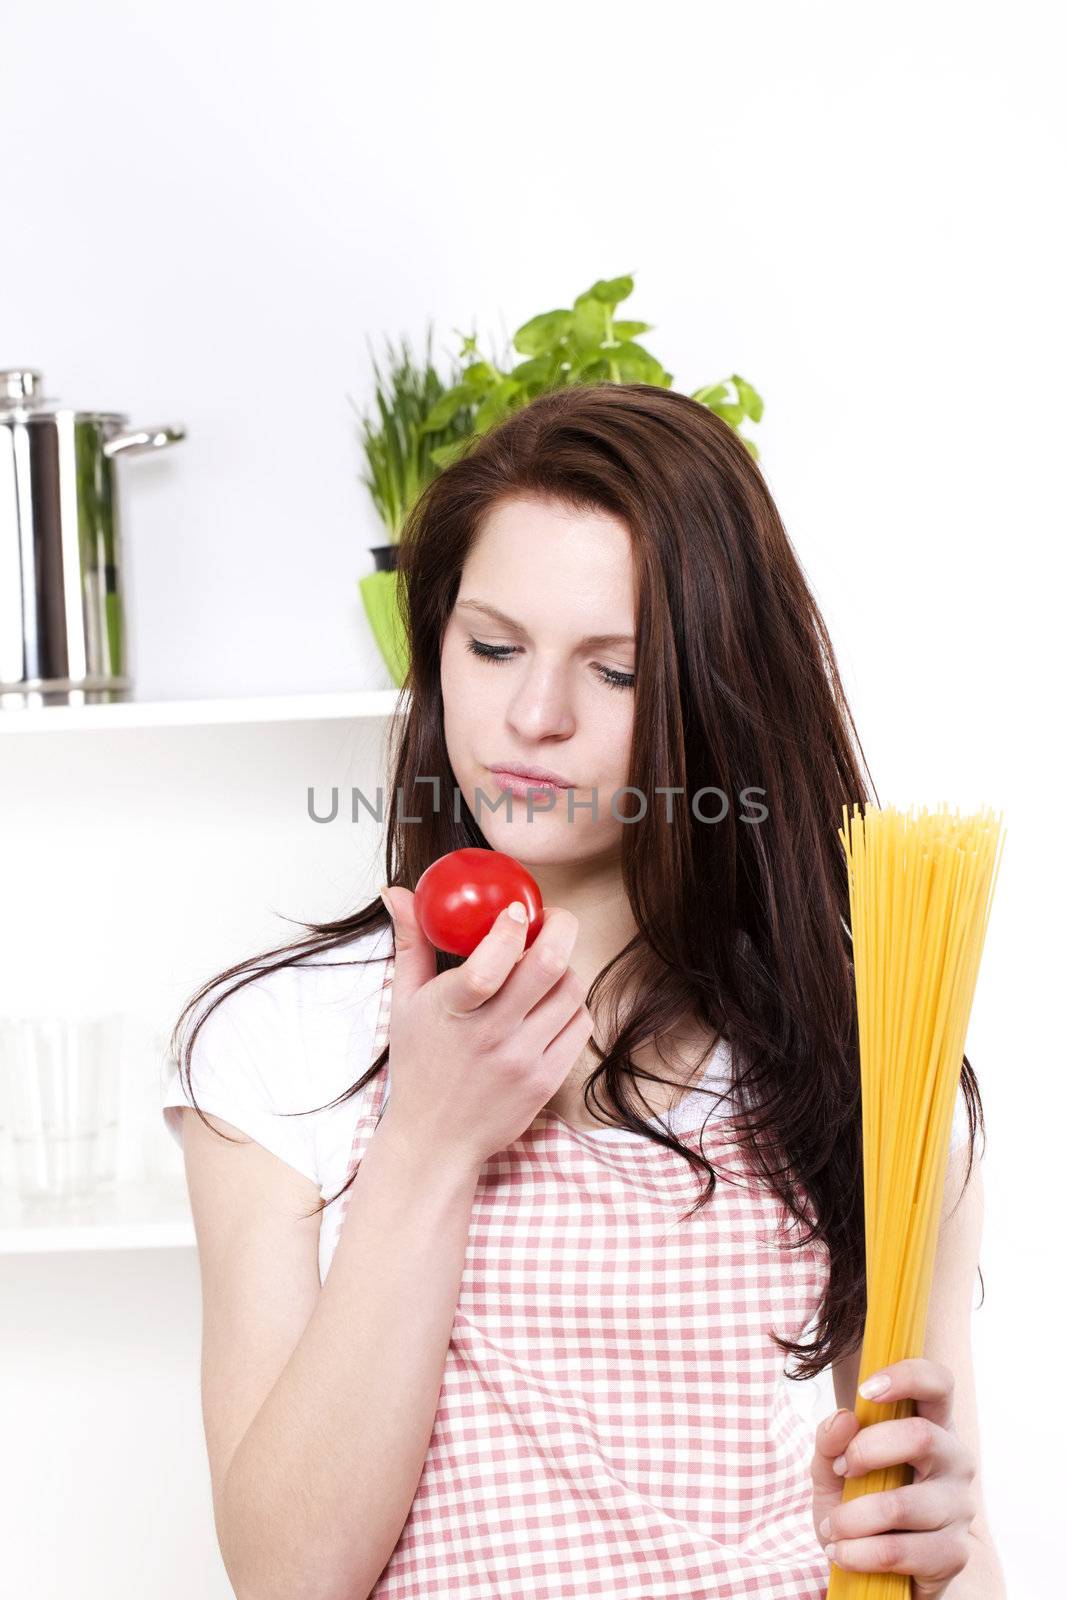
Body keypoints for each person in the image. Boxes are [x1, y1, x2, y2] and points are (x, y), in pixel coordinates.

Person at [162, 383, 1004, 1599]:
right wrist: (431, 1139)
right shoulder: (282, 1044)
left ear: (715, 697)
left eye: (613, 674)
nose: (531, 716)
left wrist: (928, 1555)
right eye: (491, 646)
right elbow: (288, 1576)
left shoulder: (867, 1064)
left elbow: (941, 1555)